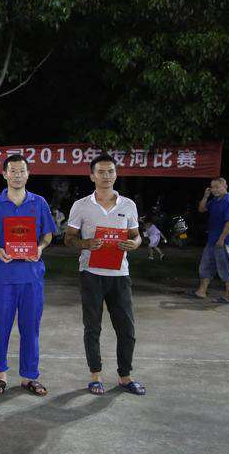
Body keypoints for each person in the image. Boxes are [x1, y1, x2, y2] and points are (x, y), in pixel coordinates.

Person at [64, 154, 145, 396]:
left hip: (120, 274)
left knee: (126, 329)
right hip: (91, 274)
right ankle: (95, 376)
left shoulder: (128, 205)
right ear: (92, 176)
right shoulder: (81, 205)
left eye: (110, 171)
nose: (106, 176)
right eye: (101, 172)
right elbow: (68, 239)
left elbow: (136, 236)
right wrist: (85, 243)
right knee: (93, 327)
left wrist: (135, 244)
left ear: (116, 174)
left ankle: (125, 376)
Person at [0, 154, 56, 396]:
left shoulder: (39, 203)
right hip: (3, 277)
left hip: (31, 276)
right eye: (12, 171)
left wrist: (40, 248)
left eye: (22, 171)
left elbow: (48, 234)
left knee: (30, 328)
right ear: (4, 174)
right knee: (0, 326)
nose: (17, 175)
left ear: (28, 174)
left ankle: (29, 376)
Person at [190, 178, 229, 304]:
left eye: (218, 187)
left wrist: (222, 239)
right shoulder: (215, 201)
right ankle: (201, 291)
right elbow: (201, 209)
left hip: (223, 242)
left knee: (226, 268)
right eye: (212, 187)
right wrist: (206, 196)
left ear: (225, 186)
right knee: (205, 266)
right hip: (212, 241)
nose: (215, 190)